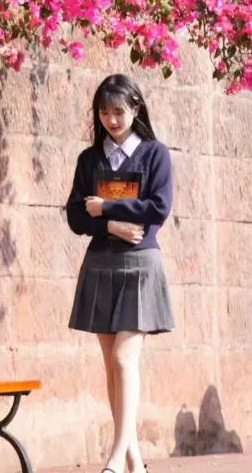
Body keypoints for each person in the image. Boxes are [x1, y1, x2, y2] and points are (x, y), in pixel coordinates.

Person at [66, 74, 175, 473]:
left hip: (141, 265)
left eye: (119, 111)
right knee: (111, 366)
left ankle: (115, 456)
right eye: (104, 112)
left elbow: (158, 208)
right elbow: (76, 215)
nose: (111, 120)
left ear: (136, 109)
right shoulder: (89, 159)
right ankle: (133, 459)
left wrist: (106, 207)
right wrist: (110, 224)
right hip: (100, 265)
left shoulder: (154, 153)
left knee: (124, 360)